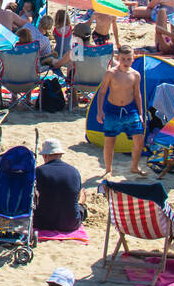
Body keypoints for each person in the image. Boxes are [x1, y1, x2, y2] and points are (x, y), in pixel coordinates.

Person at [92, 46, 145, 176]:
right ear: (118, 58)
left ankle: (134, 166)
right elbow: (102, 92)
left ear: (133, 59)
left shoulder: (135, 75)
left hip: (130, 109)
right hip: (112, 110)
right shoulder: (111, 73)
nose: (125, 62)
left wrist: (141, 113)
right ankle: (108, 169)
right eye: (123, 59)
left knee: (139, 140)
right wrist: (99, 111)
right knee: (110, 141)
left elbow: (137, 95)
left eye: (128, 59)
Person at [34, 139, 87, 233]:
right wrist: (81, 202)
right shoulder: (74, 171)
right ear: (60, 155)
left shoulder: (38, 171)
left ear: (45, 155)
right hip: (71, 224)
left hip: (44, 223)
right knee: (79, 206)